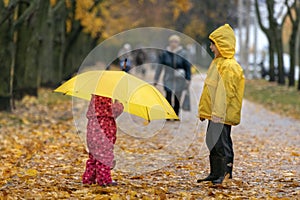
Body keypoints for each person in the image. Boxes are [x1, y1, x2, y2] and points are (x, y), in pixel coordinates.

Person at [197, 24, 245, 184]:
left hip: (222, 114)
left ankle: (225, 174)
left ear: (222, 45)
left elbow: (226, 94)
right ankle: (215, 172)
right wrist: (206, 112)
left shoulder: (230, 66)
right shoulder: (217, 63)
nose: (211, 47)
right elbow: (210, 91)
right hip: (215, 114)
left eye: (213, 44)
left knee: (222, 144)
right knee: (212, 141)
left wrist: (218, 113)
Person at [82, 95, 124, 186]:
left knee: (93, 157)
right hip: (104, 135)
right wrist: (118, 103)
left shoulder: (95, 98)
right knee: (104, 157)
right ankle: (104, 180)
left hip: (92, 134)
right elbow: (115, 111)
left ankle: (88, 179)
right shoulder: (105, 97)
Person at [154, 35, 191, 118]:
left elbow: (187, 66)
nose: (174, 44)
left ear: (178, 43)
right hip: (168, 77)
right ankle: (169, 113)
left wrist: (188, 78)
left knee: (178, 96)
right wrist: (156, 78)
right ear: (169, 42)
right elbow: (159, 67)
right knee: (168, 95)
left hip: (179, 78)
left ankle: (176, 113)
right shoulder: (165, 53)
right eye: (172, 42)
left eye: (176, 42)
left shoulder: (183, 53)